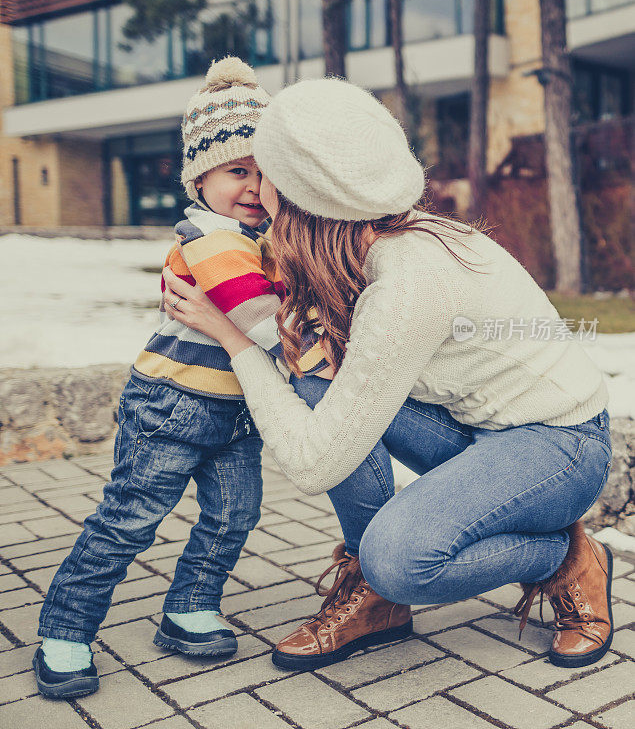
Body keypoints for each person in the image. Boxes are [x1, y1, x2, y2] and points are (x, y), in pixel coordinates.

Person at [162, 76, 614, 674]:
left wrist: (230, 336)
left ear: (301, 194)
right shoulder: (367, 243)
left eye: (263, 171)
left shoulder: (407, 286)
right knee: (316, 367)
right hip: (478, 429)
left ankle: (562, 556)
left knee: (399, 559)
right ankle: (375, 599)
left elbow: (313, 462)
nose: (255, 187)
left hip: (559, 446)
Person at [33, 57, 329, 699]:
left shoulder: (262, 238)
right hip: (172, 405)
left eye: (266, 172)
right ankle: (65, 629)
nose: (253, 186)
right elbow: (260, 320)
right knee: (129, 519)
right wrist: (312, 331)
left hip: (234, 410)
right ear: (201, 178)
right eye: (237, 171)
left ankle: (189, 607)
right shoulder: (212, 237)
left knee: (234, 514)